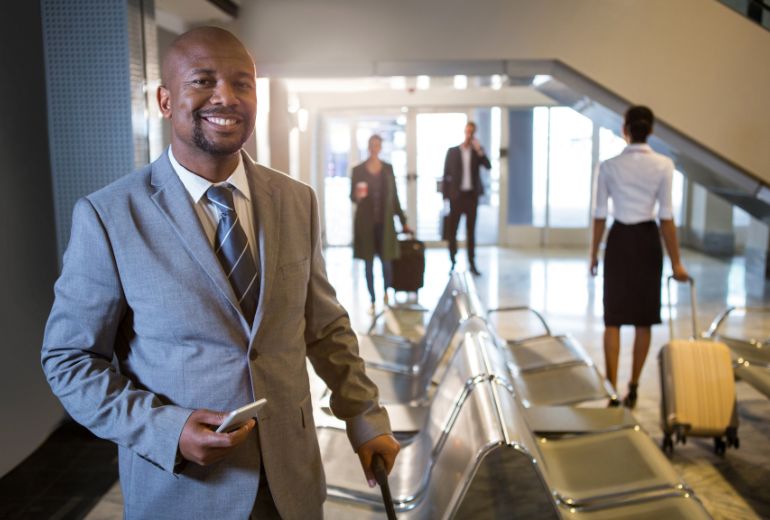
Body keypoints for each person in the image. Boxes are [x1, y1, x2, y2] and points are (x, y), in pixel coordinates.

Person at [41, 27, 399, 519]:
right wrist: (167, 430)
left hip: (292, 483)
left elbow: (325, 326)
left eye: (242, 83)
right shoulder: (109, 216)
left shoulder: (296, 200)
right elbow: (69, 359)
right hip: (185, 492)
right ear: (166, 100)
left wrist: (363, 415)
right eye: (203, 81)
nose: (226, 98)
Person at [589, 105, 689, 409]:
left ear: (625, 129)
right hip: (647, 242)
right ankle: (632, 386)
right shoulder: (664, 165)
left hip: (618, 240)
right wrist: (676, 262)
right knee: (643, 319)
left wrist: (593, 254)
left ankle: (611, 388)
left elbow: (599, 215)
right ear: (651, 130)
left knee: (613, 318)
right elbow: (667, 218)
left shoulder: (608, 166)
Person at [350, 135, 412, 313]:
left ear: (381, 147)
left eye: (377, 145)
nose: (374, 148)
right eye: (372, 145)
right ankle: (372, 299)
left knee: (386, 262)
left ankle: (386, 294)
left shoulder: (387, 169)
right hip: (366, 224)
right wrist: (357, 196)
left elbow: (395, 198)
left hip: (385, 224)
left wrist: (403, 221)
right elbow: (352, 197)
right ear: (368, 147)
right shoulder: (358, 170)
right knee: (368, 263)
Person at [442, 121, 491, 276]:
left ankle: (472, 263)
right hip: (456, 197)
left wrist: (479, 150)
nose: (469, 134)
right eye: (467, 131)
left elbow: (488, 166)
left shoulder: (477, 152)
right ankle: (453, 262)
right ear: (465, 132)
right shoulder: (453, 151)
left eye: (472, 131)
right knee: (453, 231)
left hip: (471, 197)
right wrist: (445, 197)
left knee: (471, 232)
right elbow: (446, 175)